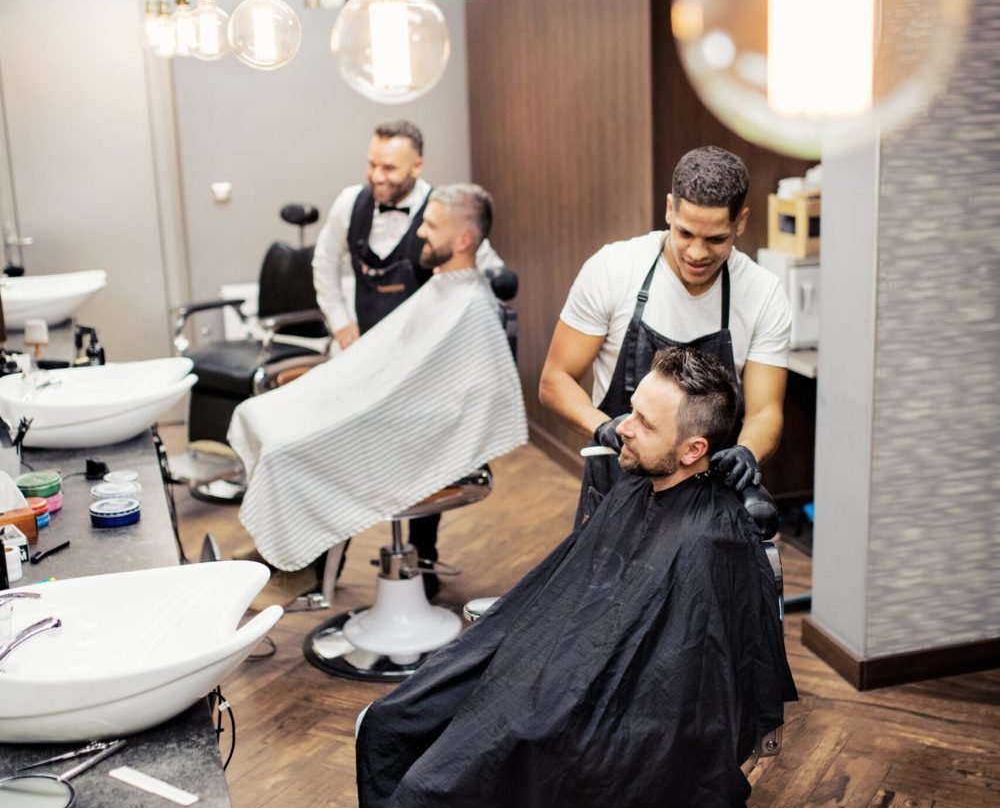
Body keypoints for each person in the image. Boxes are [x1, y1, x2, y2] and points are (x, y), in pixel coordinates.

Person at [294, 346, 797, 808]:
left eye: (644, 424)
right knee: (389, 723)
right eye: (631, 411)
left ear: (693, 450)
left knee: (447, 776)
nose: (621, 426)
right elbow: (573, 602)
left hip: (607, 732)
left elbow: (687, 697)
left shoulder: (712, 544)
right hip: (559, 679)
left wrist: (548, 711)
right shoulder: (639, 491)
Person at [229, 185, 526, 579]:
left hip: (408, 425)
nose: (419, 232)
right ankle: (296, 558)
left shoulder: (471, 305)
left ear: (464, 239)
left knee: (285, 450)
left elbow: (469, 397)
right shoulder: (443, 288)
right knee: (259, 413)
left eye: (431, 226)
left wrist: (364, 404)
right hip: (383, 400)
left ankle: (298, 570)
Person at [538, 145, 791, 525]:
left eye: (716, 239)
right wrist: (603, 426)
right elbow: (554, 381)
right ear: (670, 208)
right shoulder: (614, 269)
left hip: (710, 502)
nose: (696, 252)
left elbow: (765, 410)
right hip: (616, 489)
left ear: (741, 221)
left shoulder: (763, 293)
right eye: (685, 232)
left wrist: (748, 450)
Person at [312, 120, 504, 574]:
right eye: (372, 164)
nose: (377, 176)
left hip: (420, 369)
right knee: (336, 451)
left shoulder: (443, 213)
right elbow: (323, 264)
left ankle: (422, 557)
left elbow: (488, 267)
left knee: (422, 461)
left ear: (418, 165)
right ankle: (323, 565)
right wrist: (342, 327)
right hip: (362, 357)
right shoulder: (349, 204)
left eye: (390, 168)